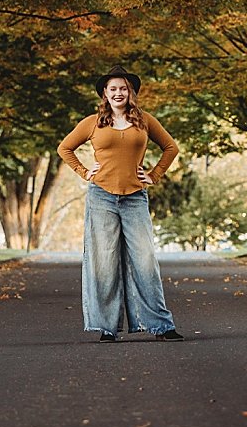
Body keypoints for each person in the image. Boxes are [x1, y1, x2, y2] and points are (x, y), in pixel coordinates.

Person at [58, 64, 185, 343]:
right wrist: (83, 171)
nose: (118, 93)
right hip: (101, 197)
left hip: (135, 198)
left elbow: (171, 147)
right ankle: (107, 327)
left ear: (131, 93)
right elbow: (64, 148)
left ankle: (161, 326)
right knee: (105, 261)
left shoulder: (145, 121)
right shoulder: (92, 122)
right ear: (105, 93)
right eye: (113, 88)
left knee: (145, 260)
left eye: (123, 88)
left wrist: (154, 175)